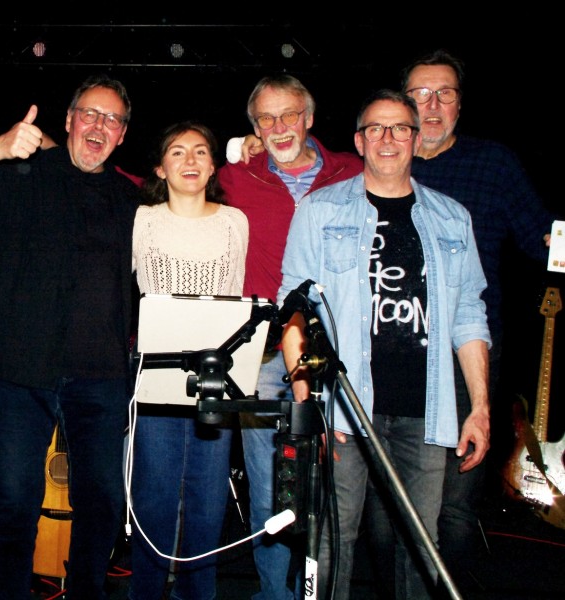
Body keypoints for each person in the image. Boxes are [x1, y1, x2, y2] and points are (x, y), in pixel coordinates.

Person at [278, 89, 490, 600]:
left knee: (420, 549)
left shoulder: (452, 218)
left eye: (399, 128)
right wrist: (309, 406)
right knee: (330, 544)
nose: (388, 138)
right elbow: (293, 310)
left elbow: (469, 316)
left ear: (416, 139)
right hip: (344, 412)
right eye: (376, 128)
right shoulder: (320, 211)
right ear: (359, 140)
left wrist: (480, 408)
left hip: (426, 413)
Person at [0, 74, 140, 600]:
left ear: (122, 134)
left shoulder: (130, 199)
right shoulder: (19, 171)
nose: (99, 125)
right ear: (68, 121)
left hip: (101, 376)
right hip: (17, 370)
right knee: (12, 499)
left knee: (103, 501)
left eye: (112, 119)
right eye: (89, 113)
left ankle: (86, 592)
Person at [359, 49, 557, 594]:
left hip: (466, 352)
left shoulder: (493, 163)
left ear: (460, 104)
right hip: (388, 353)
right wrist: (245, 146)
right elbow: (308, 168)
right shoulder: (380, 157)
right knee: (385, 499)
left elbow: (542, 237)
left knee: (455, 501)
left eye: (444, 93)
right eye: (420, 94)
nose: (431, 105)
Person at [216, 74, 362, 600]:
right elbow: (160, 180)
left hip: (342, 353)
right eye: (266, 118)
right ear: (254, 127)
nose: (279, 127)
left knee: (336, 484)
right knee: (269, 486)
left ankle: (319, 591)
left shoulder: (354, 170)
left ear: (310, 118)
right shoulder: (235, 177)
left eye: (289, 114)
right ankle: (275, 593)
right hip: (264, 354)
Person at [128, 121, 249, 599]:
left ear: (213, 165)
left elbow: (234, 296)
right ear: (161, 168)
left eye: (200, 151)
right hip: (156, 376)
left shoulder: (234, 221)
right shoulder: (142, 220)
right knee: (153, 496)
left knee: (207, 499)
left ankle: (198, 594)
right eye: (177, 152)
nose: (190, 160)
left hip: (214, 380)